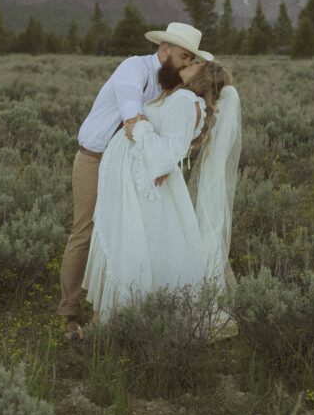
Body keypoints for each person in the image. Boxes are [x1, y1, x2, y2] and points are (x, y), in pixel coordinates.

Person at [58, 22, 213, 340]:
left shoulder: (172, 86)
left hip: (131, 171)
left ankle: (116, 309)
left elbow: (169, 129)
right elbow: (130, 106)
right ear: (165, 49)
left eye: (190, 60)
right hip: (95, 159)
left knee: (126, 234)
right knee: (85, 231)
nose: (186, 63)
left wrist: (162, 161)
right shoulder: (134, 67)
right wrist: (136, 122)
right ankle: (70, 312)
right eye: (184, 56)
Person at [82, 59, 241, 326]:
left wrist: (139, 127)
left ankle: (113, 320)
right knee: (128, 241)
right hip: (129, 175)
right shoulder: (179, 97)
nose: (188, 63)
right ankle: (109, 318)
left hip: (137, 180)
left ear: (201, 75)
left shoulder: (185, 102)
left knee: (127, 242)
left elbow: (165, 156)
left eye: (195, 63)